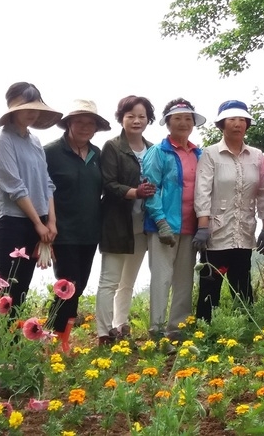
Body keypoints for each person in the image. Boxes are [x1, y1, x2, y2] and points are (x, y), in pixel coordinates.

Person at [0, 82, 62, 322]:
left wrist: (51, 221)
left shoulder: (34, 141)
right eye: (26, 107)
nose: (32, 112)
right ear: (12, 109)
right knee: (3, 282)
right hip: (11, 220)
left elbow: (46, 182)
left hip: (37, 219)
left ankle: (11, 341)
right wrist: (39, 222)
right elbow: (15, 187)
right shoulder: (2, 141)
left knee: (22, 283)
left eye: (35, 107)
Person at [194, 100, 264, 322]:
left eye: (241, 119)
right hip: (216, 230)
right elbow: (202, 191)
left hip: (244, 229)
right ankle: (205, 329)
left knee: (242, 283)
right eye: (231, 119)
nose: (237, 124)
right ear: (221, 124)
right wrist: (202, 226)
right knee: (210, 283)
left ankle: (246, 328)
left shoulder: (256, 156)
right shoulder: (210, 154)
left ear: (247, 124)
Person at [44, 100, 108, 352]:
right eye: (79, 121)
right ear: (68, 123)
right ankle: (56, 340)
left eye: (90, 122)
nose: (85, 126)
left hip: (90, 232)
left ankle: (61, 337)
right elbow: (37, 189)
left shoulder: (98, 155)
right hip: (61, 231)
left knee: (78, 286)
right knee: (66, 286)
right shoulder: (50, 152)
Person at [95, 96, 156, 345]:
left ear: (148, 119)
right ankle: (103, 331)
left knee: (128, 281)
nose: (136, 120)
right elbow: (108, 183)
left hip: (143, 225)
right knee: (109, 280)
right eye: (130, 115)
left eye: (141, 116)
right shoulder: (112, 146)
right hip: (117, 222)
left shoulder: (153, 149)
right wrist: (135, 192)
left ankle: (121, 324)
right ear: (121, 118)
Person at [142, 98, 205, 340]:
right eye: (177, 118)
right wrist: (160, 221)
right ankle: (156, 331)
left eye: (188, 118)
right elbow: (150, 188)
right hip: (163, 227)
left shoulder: (198, 153)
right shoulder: (158, 152)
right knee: (161, 279)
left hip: (190, 226)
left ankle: (177, 330)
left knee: (184, 279)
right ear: (168, 123)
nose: (183, 122)